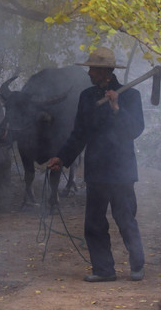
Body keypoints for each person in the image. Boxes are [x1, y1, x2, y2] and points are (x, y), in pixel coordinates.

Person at [47, 47, 145, 282]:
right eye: (90, 68)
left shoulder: (131, 96)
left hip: (121, 170)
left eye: (93, 68)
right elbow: (79, 134)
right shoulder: (87, 97)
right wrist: (62, 157)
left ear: (106, 72)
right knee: (93, 223)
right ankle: (104, 270)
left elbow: (135, 131)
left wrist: (117, 109)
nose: (89, 72)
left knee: (125, 218)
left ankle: (137, 265)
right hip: (96, 169)